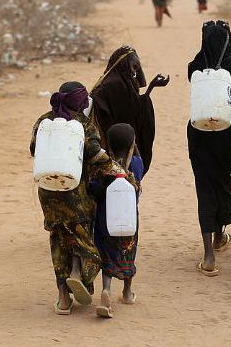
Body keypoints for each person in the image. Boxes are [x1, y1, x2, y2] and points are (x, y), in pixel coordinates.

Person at [30, 81, 118, 315]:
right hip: (76, 193)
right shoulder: (84, 124)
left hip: (48, 192)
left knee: (58, 237)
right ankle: (78, 272)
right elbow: (95, 155)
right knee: (80, 234)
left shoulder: (43, 121)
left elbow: (33, 149)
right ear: (78, 100)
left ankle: (62, 299)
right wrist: (119, 170)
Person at [187, 21, 231, 277]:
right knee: (223, 181)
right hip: (225, 135)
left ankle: (209, 255)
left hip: (198, 135)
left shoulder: (195, 66)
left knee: (204, 186)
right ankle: (219, 236)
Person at [89, 123, 144, 319]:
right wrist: (133, 147)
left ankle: (106, 289)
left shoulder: (103, 168)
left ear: (108, 146)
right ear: (132, 145)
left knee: (107, 255)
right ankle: (127, 292)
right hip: (129, 220)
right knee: (128, 252)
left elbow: (93, 190)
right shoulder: (136, 165)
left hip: (105, 220)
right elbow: (138, 162)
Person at [90, 45, 170, 174]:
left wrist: (149, 86)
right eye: (133, 67)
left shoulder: (120, 80)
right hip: (114, 143)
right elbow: (131, 111)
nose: (135, 72)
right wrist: (149, 90)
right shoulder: (115, 84)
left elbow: (133, 103)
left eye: (137, 68)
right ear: (123, 64)